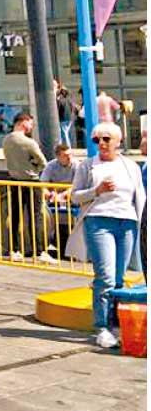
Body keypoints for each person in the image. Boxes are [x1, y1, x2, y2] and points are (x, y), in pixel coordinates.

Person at [71, 122, 146, 349]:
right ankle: (102, 327)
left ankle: (117, 324)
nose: (101, 144)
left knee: (119, 278)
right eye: (97, 140)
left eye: (106, 139)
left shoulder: (130, 166)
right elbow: (75, 196)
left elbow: (139, 196)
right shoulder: (87, 166)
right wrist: (97, 190)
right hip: (99, 221)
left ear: (118, 141)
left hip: (127, 223)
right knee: (105, 277)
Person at [3, 112, 47, 261]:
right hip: (31, 181)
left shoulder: (6, 140)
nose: (32, 127)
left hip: (14, 180)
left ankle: (14, 250)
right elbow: (43, 163)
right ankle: (38, 252)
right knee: (35, 216)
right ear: (24, 122)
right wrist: (34, 166)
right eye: (31, 123)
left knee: (15, 215)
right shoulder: (29, 142)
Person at [56, 80, 76, 148]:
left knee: (64, 133)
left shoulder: (60, 101)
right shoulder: (69, 100)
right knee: (66, 133)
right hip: (69, 119)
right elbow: (73, 109)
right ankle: (65, 146)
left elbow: (58, 110)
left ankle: (67, 147)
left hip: (63, 119)